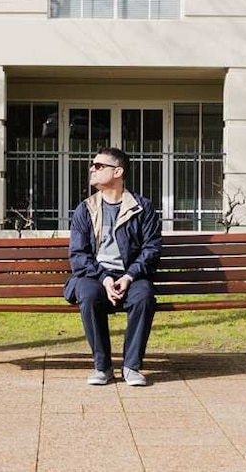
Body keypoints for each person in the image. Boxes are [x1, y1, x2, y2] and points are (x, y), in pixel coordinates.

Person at [64, 147, 161, 386]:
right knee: (87, 293)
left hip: (131, 275)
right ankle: (102, 367)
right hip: (95, 276)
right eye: (92, 165)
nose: (92, 169)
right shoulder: (85, 209)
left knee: (144, 296)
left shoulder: (143, 208)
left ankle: (132, 367)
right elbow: (78, 255)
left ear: (118, 171)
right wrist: (105, 278)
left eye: (99, 166)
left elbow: (151, 250)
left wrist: (128, 276)